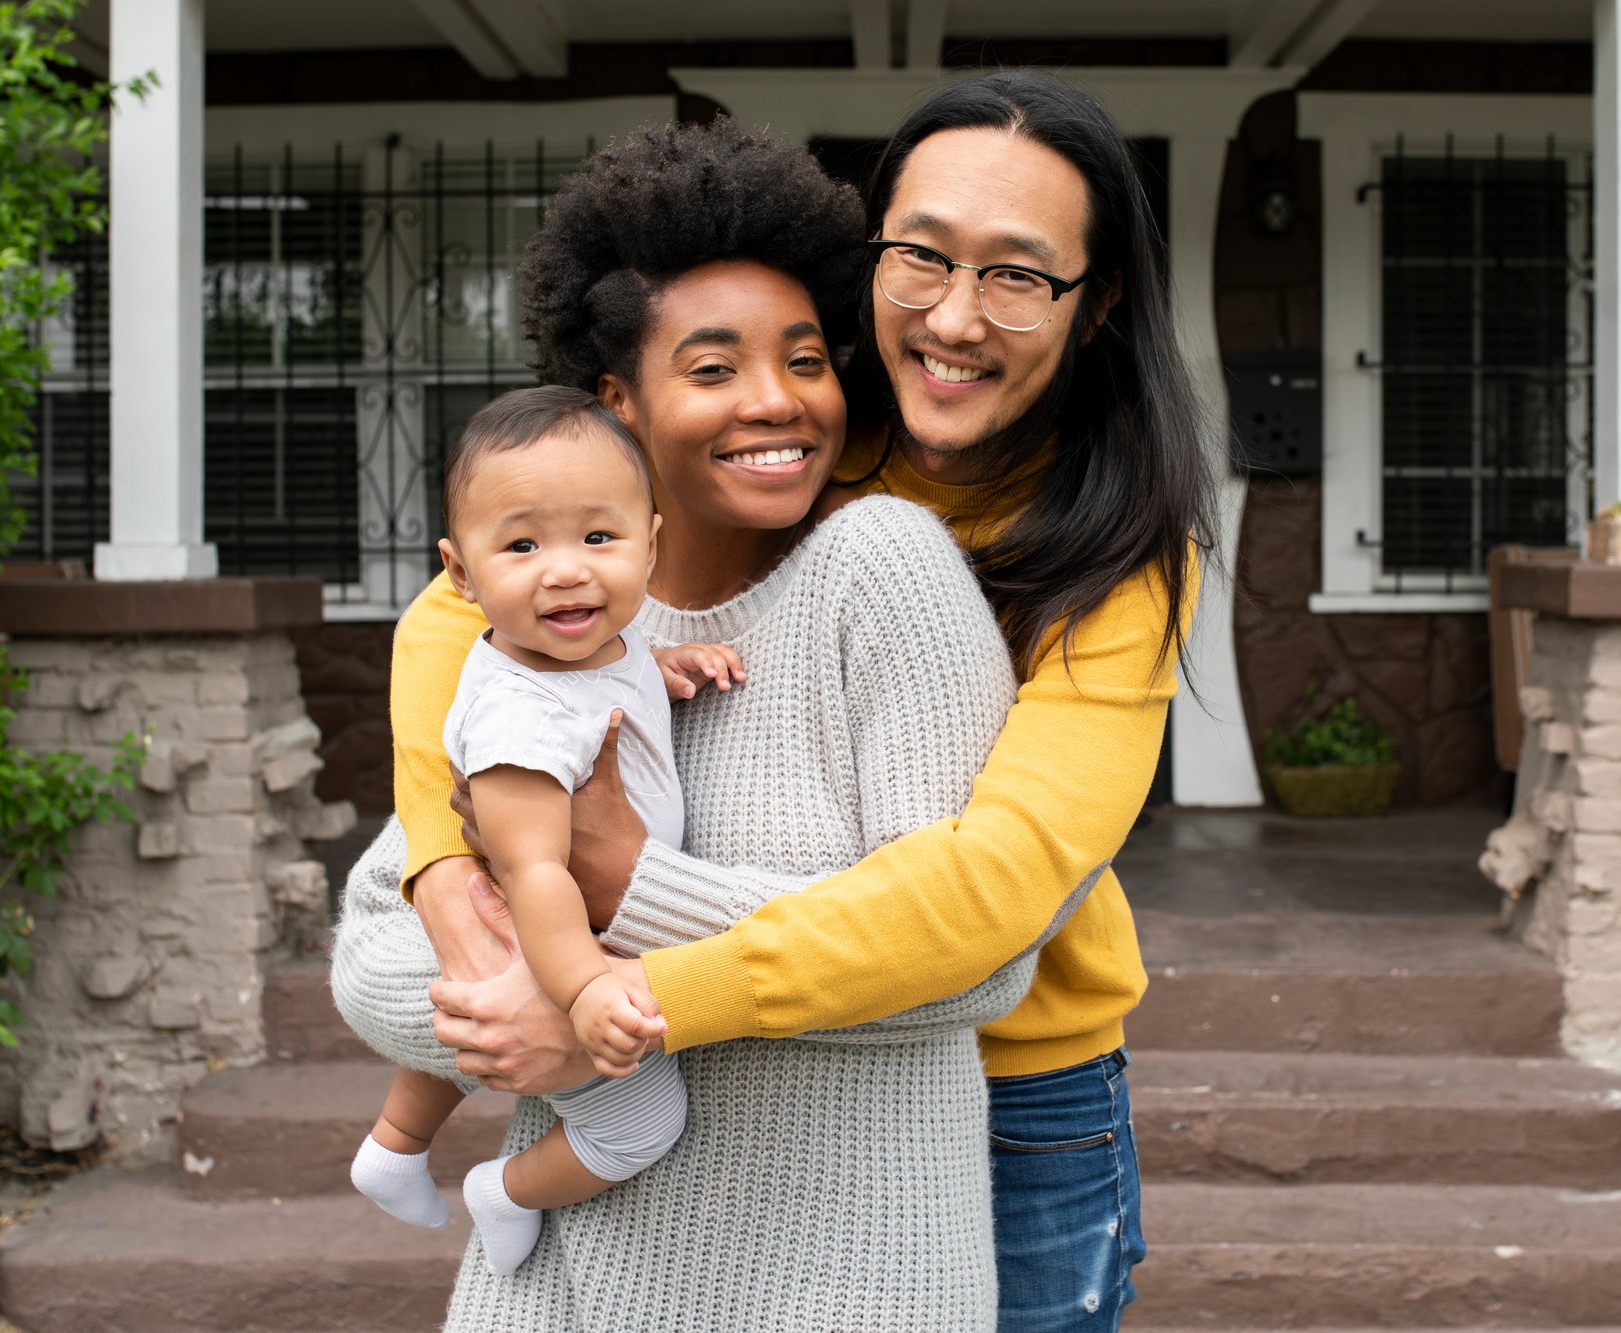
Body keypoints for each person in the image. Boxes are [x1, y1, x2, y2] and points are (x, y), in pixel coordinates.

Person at [434, 72, 1215, 1332]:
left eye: (1017, 274)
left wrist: (620, 993)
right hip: (751, 1077)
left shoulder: (1116, 550)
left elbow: (991, 892)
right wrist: (444, 887)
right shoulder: (793, 430)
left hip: (1015, 1095)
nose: (954, 316)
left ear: (1097, 298)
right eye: (922, 257)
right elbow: (473, 614)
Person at [329, 119, 1033, 1330]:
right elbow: (375, 948)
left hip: (844, 1284)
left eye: (805, 359)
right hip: (551, 1288)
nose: (776, 400)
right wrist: (547, 1012)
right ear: (619, 400)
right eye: (711, 368)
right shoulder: (542, 626)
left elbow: (976, 954)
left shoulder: (882, 571)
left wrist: (626, 914)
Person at [348, 386, 745, 1275]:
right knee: (643, 1124)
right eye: (522, 545)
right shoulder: (516, 723)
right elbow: (534, 873)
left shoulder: (592, 641)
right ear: (460, 573)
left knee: (469, 1021)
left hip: (565, 919)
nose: (566, 570)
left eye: (597, 538)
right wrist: (584, 993)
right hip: (554, 933)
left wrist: (666, 661)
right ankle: (506, 1188)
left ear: (650, 542)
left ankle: (391, 1144)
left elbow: (616, 670)